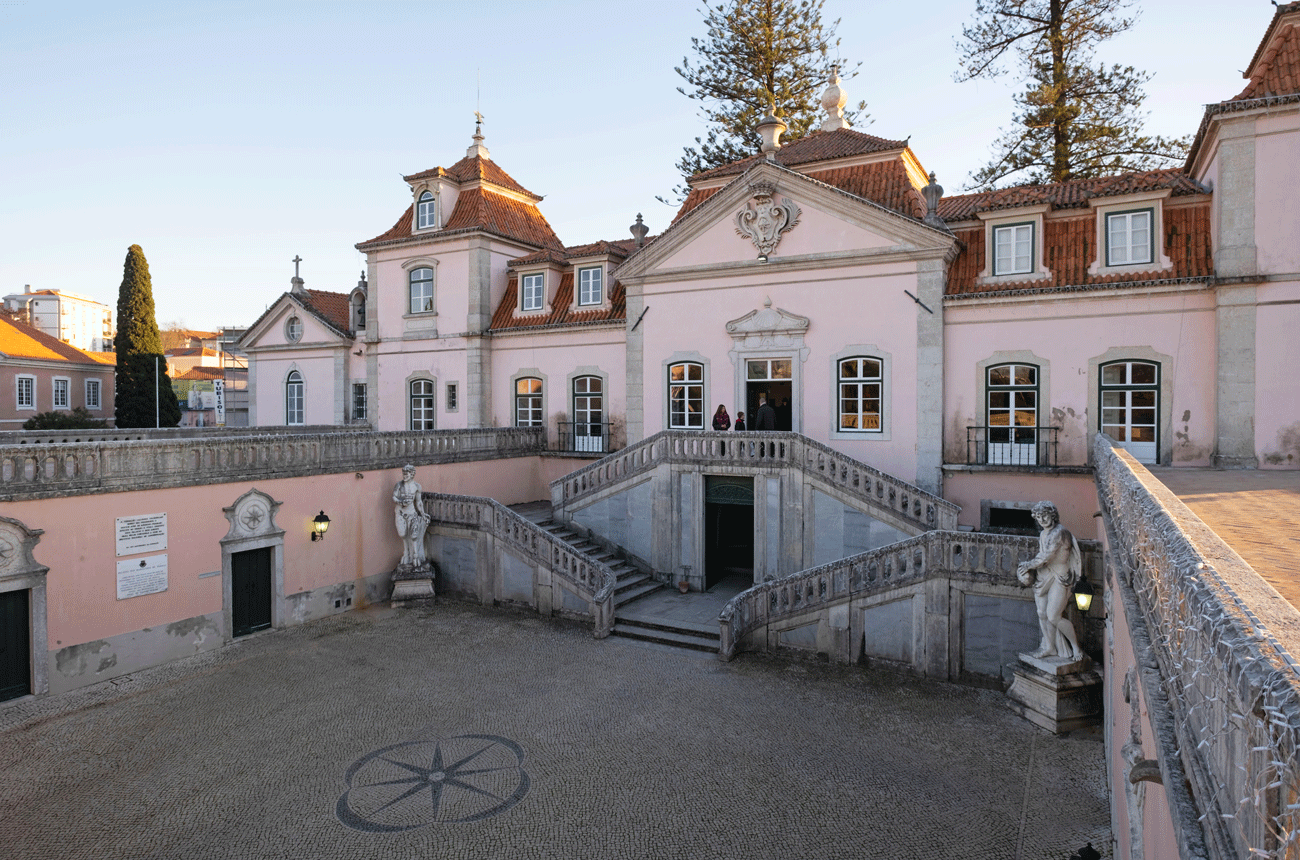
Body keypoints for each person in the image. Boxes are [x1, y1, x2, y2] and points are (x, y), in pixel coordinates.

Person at [1015, 501, 1084, 661]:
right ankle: (1050, 647)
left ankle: (1075, 647)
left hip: (1060, 576)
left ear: (1052, 515)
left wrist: (1027, 565)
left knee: (1053, 616)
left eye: (1045, 515)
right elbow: (1043, 558)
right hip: (1044, 575)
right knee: (1042, 614)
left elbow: (1046, 556)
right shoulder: (1043, 534)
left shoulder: (1060, 533)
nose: (1042, 519)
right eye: (1038, 517)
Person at [392, 464, 431, 568]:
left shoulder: (417, 486)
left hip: (412, 513)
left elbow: (418, 502)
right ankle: (406, 553)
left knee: (414, 535)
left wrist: (422, 514)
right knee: (403, 534)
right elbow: (394, 497)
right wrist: (401, 502)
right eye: (403, 474)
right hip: (400, 513)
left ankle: (415, 556)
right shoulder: (399, 485)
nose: (404, 476)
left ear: (412, 474)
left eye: (407, 474)